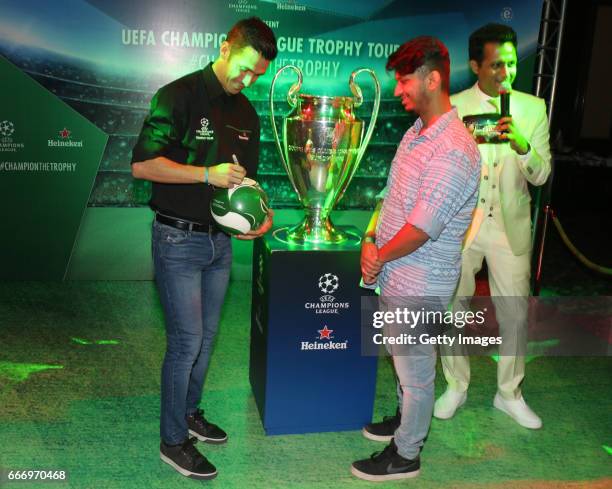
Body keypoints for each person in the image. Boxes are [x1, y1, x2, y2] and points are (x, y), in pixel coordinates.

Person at [131, 17, 277, 480]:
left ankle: (190, 413)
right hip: (176, 240)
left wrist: (261, 216)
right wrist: (204, 174)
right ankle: (172, 441)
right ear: (224, 47)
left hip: (219, 246)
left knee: (207, 340)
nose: (247, 80)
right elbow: (142, 167)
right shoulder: (177, 95)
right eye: (245, 68)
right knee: (185, 343)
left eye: (257, 75)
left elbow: (246, 183)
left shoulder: (248, 115)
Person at [352, 36, 481, 482]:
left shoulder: (455, 149)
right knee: (403, 360)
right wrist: (371, 237)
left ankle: (406, 453)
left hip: (421, 281)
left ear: (433, 79)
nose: (398, 90)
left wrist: (378, 256)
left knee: (417, 369)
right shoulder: (415, 133)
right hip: (394, 274)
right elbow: (391, 198)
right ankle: (405, 417)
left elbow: (423, 226)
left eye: (405, 81)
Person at [434, 23, 551, 429]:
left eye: (512, 63)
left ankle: (510, 393)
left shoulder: (534, 108)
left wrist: (522, 145)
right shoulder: (453, 105)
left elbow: (541, 174)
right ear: (475, 65)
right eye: (497, 64)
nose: (506, 72)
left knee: (516, 314)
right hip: (463, 225)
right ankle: (455, 385)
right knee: (454, 309)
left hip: (510, 225)